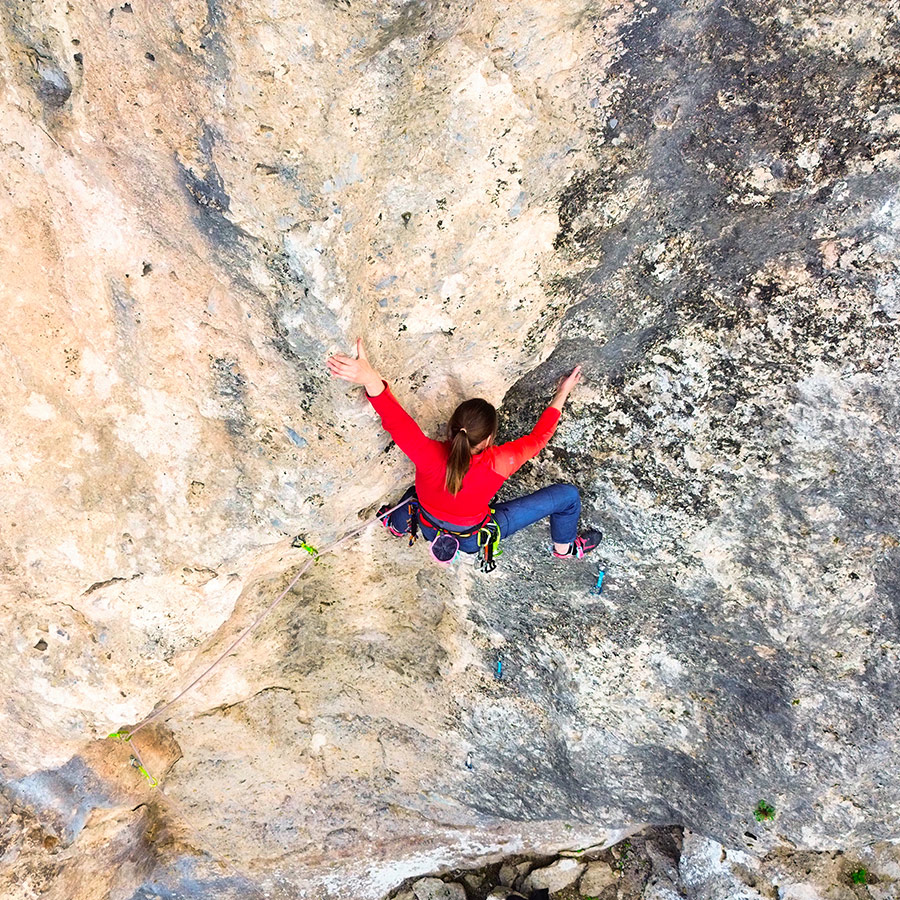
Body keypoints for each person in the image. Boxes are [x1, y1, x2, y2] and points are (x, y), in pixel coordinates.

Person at [325, 339, 601, 563]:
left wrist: (368, 377)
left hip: (428, 525)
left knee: (413, 494)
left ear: (450, 428)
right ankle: (564, 549)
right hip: (472, 539)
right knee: (567, 497)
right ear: (490, 439)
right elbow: (540, 438)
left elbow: (395, 420)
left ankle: (397, 525)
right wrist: (562, 392)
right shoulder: (500, 462)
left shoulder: (427, 454)